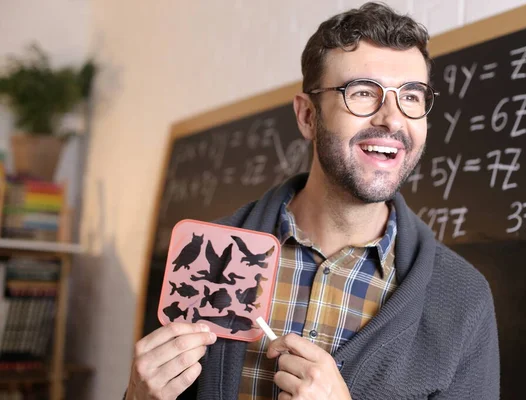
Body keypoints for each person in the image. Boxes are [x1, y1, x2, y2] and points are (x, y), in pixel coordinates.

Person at [125, 2, 500, 399]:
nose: (392, 119)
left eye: (411, 96)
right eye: (362, 92)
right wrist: (136, 395)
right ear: (307, 117)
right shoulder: (210, 255)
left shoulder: (463, 298)